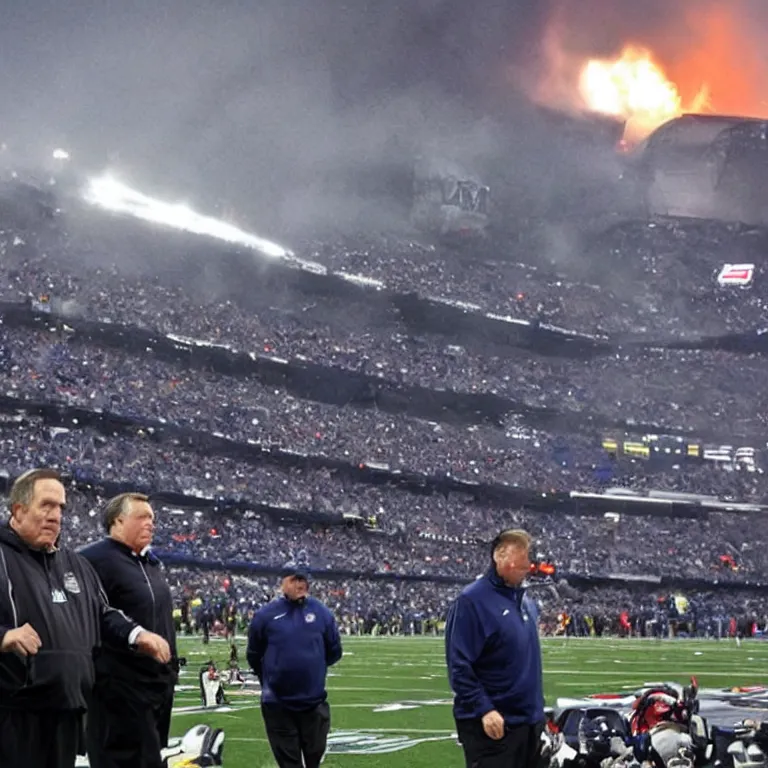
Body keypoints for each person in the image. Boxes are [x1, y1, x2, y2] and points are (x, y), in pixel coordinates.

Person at [0, 469, 171, 768]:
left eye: (61, 508)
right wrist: (3, 636)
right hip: (13, 713)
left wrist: (137, 635)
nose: (56, 515)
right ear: (18, 509)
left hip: (67, 708)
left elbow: (103, 613)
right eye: (46, 505)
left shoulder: (75, 564)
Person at [79, 492, 178, 768]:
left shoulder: (150, 563)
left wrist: (172, 673)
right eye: (142, 517)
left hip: (156, 687)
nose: (151, 523)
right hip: (118, 688)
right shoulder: (92, 559)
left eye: (152, 518)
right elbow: (90, 613)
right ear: (118, 521)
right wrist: (133, 636)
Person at [445, 528, 545, 768]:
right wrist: (484, 709)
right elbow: (459, 665)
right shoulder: (472, 601)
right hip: (494, 726)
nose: (527, 567)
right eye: (520, 562)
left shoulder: (525, 602)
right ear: (499, 556)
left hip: (529, 724)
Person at [247, 566, 343, 768]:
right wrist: (272, 678)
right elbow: (254, 654)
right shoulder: (266, 615)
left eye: (304, 580)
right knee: (289, 764)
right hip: (278, 704)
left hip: (313, 702)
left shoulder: (322, 612)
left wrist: (312, 668)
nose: (301, 584)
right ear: (283, 582)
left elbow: (334, 651)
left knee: (314, 756)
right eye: (295, 579)